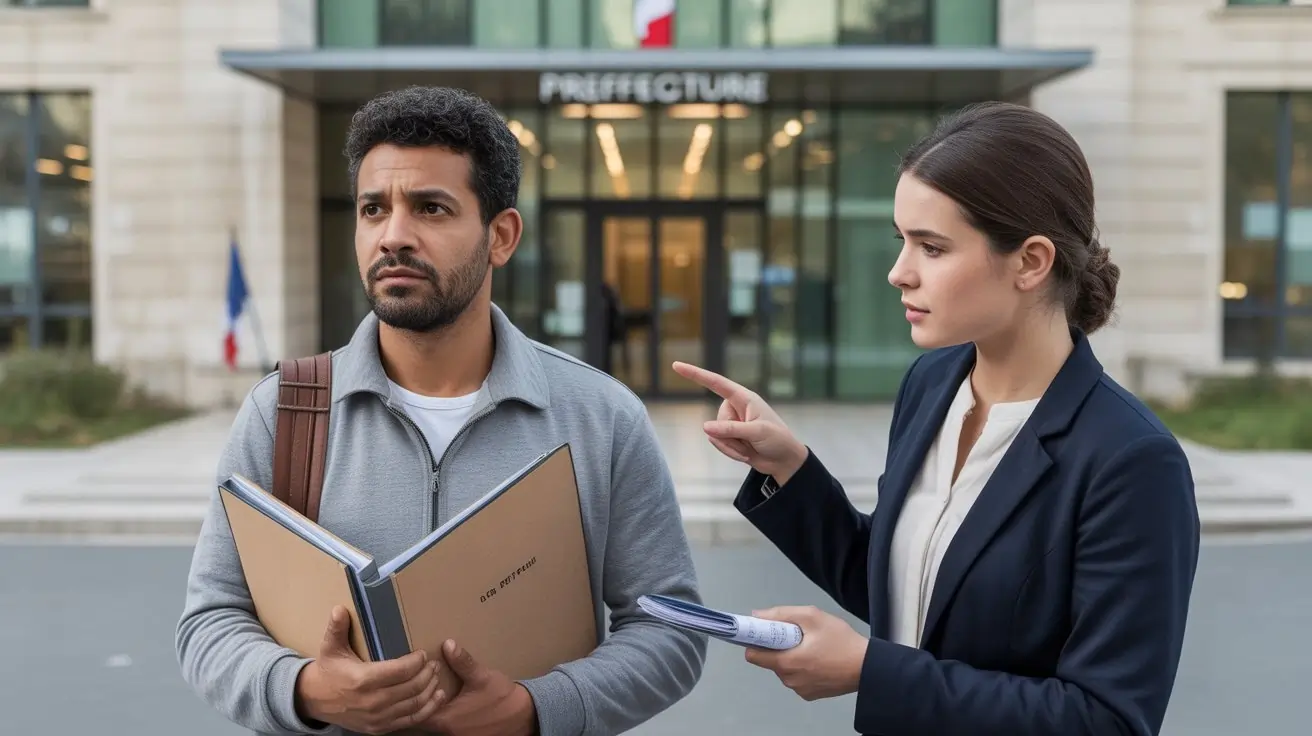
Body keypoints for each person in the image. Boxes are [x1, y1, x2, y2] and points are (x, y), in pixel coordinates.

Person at [176, 86, 707, 736]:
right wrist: (306, 689)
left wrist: (536, 708)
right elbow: (210, 623)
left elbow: (671, 631)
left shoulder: (602, 417)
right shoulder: (283, 412)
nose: (393, 236)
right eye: (374, 209)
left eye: (430, 208)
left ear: (501, 237)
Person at [672, 101, 1200, 736]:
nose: (899, 273)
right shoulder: (931, 385)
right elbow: (913, 594)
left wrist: (871, 670)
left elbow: (1106, 720)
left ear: (1031, 262)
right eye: (902, 241)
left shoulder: (1131, 460)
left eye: (932, 247)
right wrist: (789, 467)